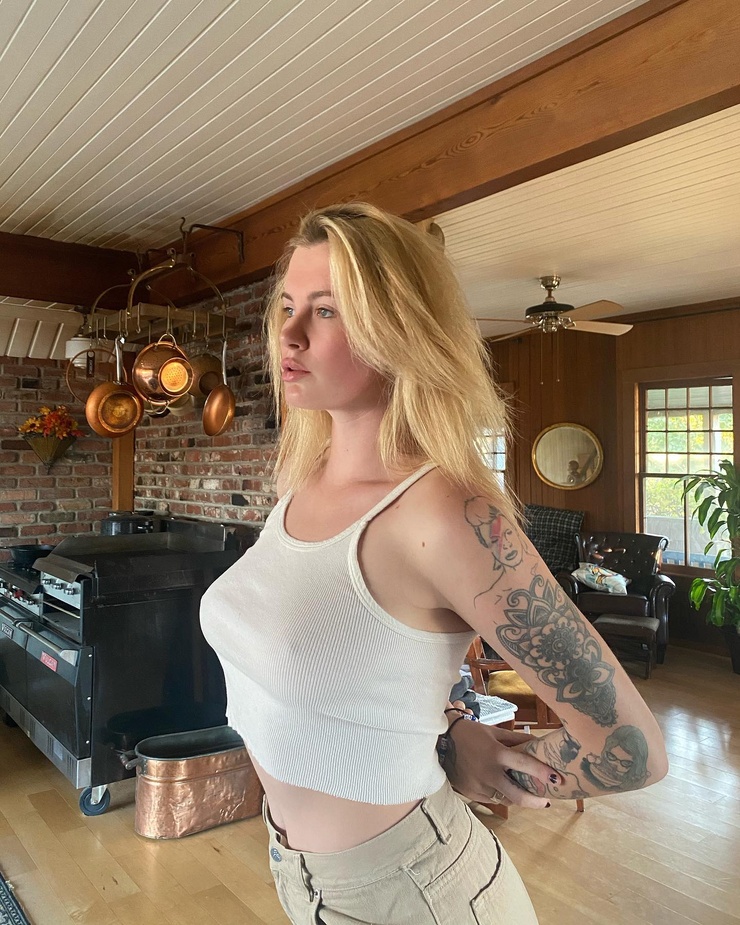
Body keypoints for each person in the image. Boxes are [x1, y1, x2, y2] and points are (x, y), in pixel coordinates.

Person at [200, 202, 668, 925]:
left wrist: (487, 769)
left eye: (325, 311)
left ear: (401, 331)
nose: (288, 334)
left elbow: (633, 751)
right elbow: (372, 666)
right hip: (302, 875)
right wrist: (449, 728)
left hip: (416, 893)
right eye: (288, 307)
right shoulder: (301, 481)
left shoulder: (447, 514)